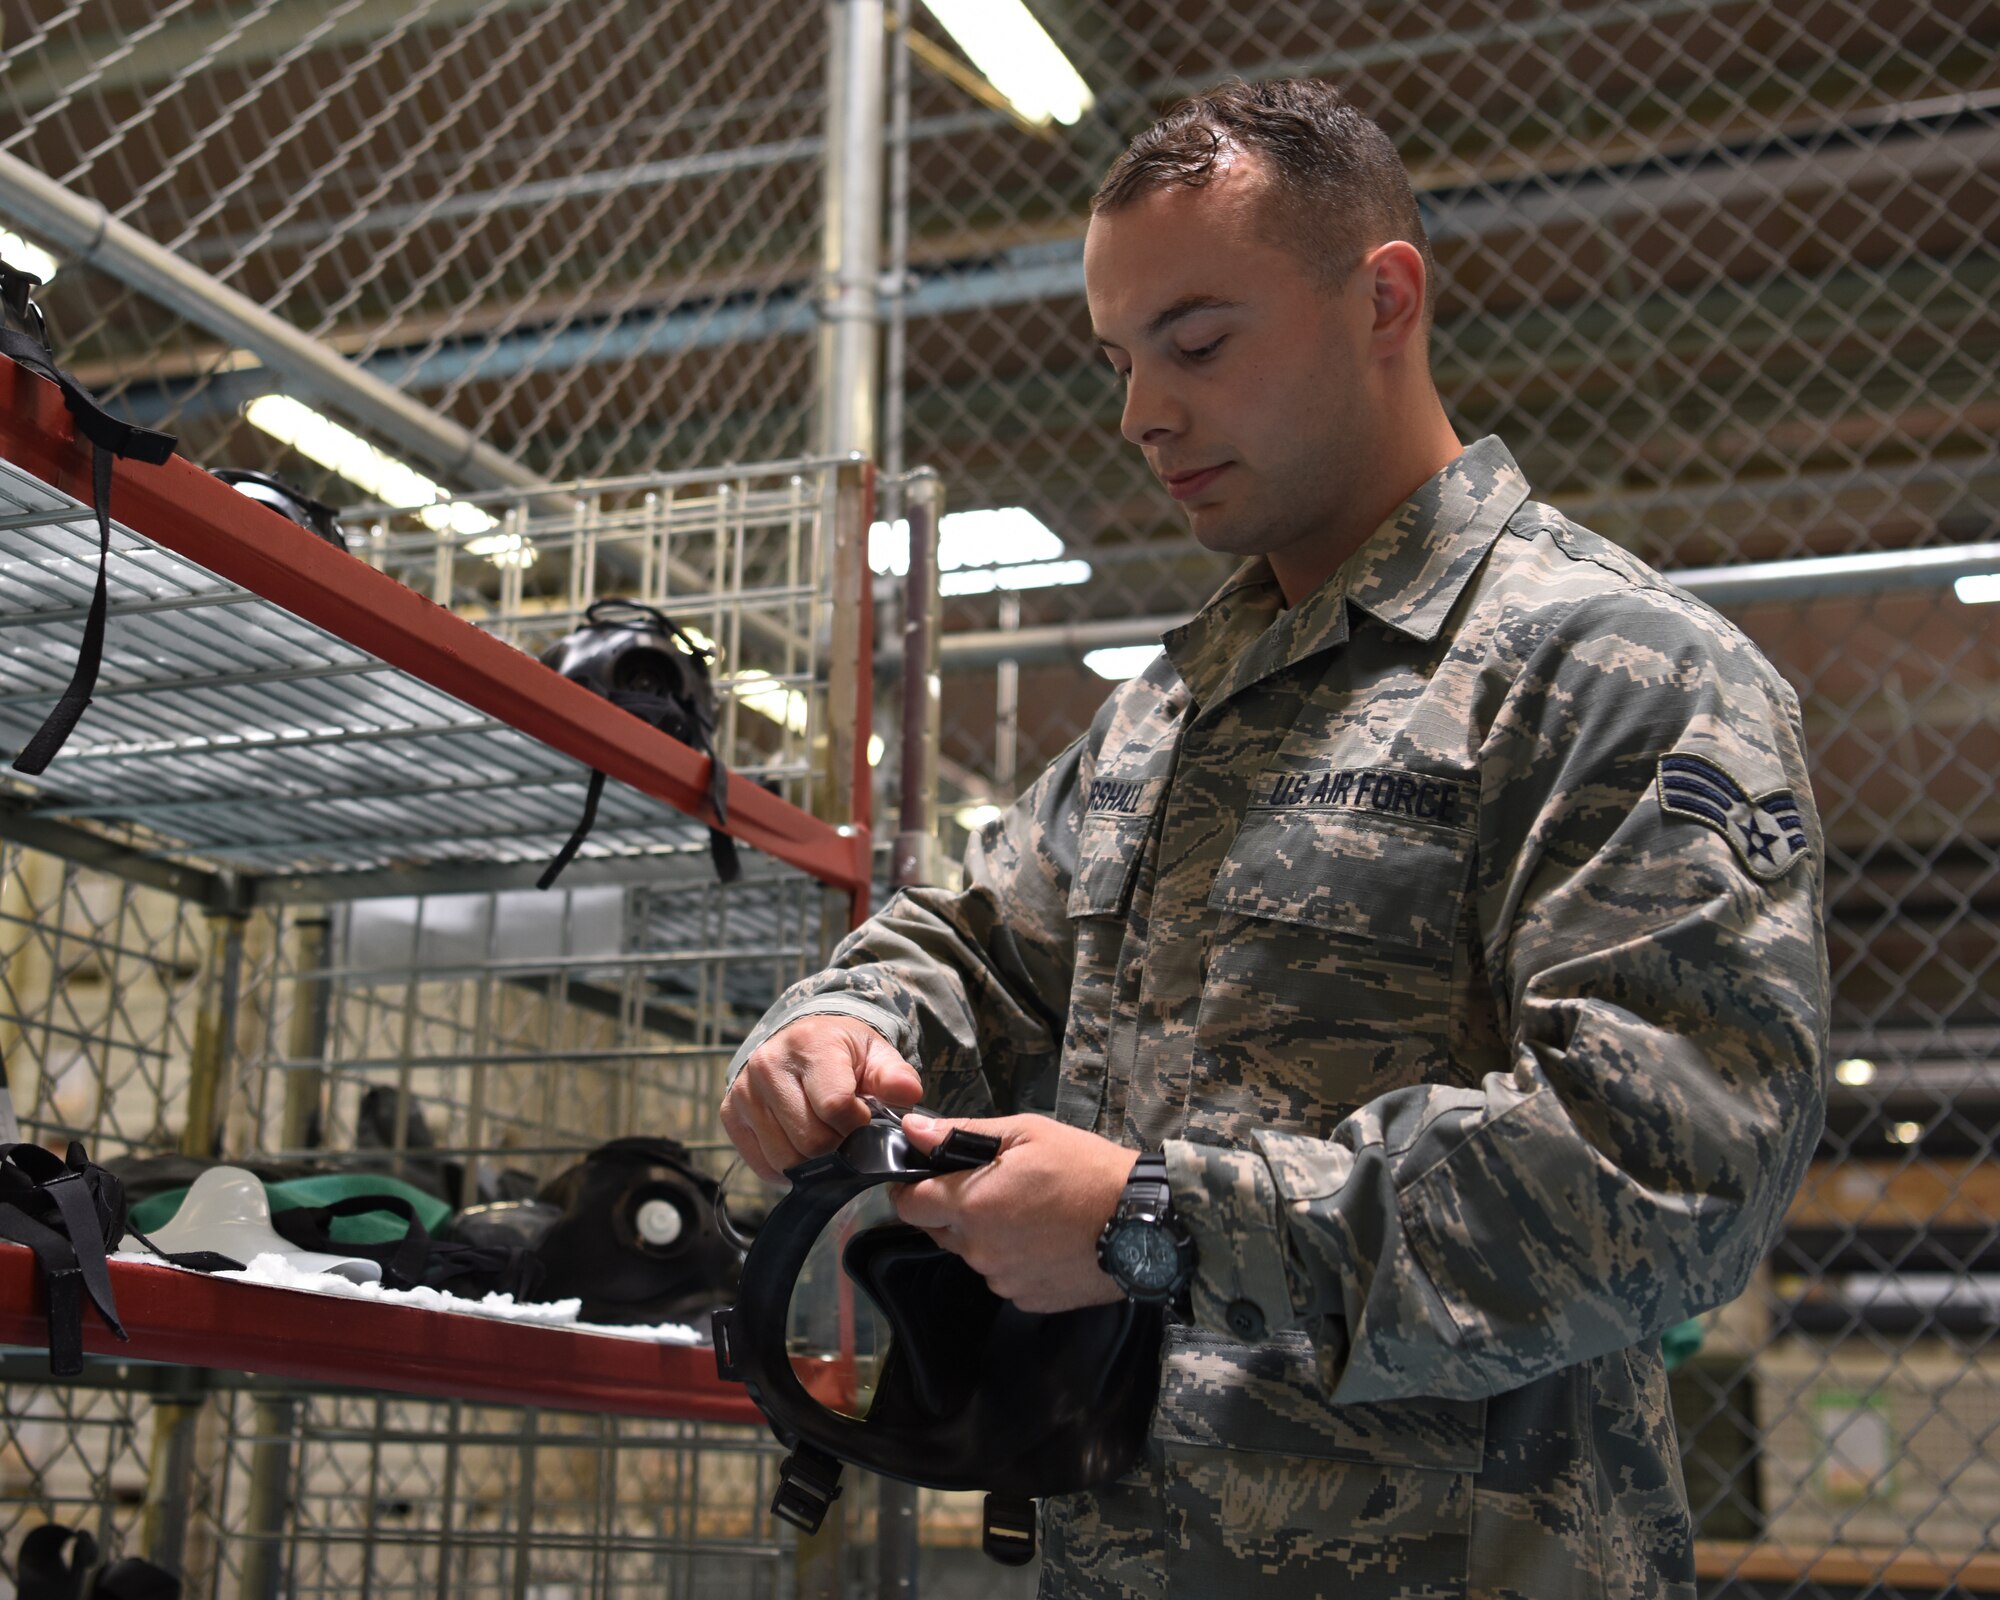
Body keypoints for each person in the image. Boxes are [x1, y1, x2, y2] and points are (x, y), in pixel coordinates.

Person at [722, 78, 1828, 1599]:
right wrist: (843, 1018)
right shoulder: (1173, 704)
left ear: (1382, 298)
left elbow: (1670, 1169)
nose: (1140, 414)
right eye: (1119, 360)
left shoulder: (1610, 673)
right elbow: (972, 943)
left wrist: (1159, 1225)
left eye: (1197, 342)